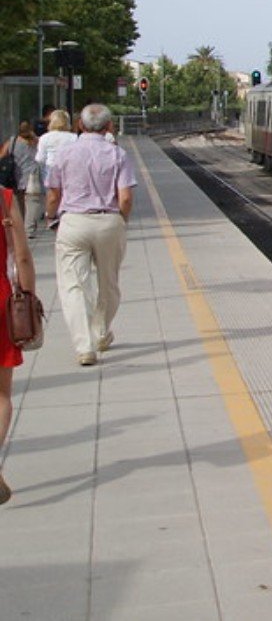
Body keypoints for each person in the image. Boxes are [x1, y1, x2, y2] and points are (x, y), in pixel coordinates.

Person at [43, 104, 138, 366]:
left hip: (73, 222)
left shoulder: (64, 153)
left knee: (73, 285)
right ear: (109, 127)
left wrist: (51, 218)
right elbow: (126, 198)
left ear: (80, 126)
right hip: (109, 220)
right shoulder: (118, 154)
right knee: (109, 282)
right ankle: (100, 332)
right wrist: (121, 220)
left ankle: (84, 346)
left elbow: (53, 194)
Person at [2, 177, 40, 504]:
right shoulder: (4, 198)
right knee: (1, 395)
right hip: (1, 305)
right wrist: (29, 297)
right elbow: (22, 256)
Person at [2, 123, 41, 236]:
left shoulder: (12, 141)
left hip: (16, 175)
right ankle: (29, 228)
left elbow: (2, 155)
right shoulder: (36, 141)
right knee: (32, 202)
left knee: (19, 202)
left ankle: (20, 226)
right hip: (32, 176)